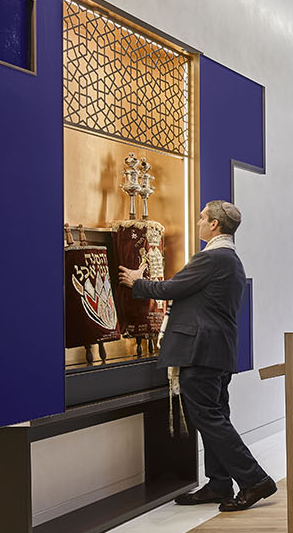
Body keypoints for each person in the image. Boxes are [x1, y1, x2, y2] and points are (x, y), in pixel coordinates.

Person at [118, 199, 277, 512]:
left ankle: (254, 479)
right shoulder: (230, 260)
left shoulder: (213, 258)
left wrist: (138, 282)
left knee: (211, 419)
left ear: (215, 225)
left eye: (203, 218)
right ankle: (219, 483)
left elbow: (173, 289)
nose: (199, 222)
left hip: (201, 353)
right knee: (215, 417)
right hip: (216, 352)